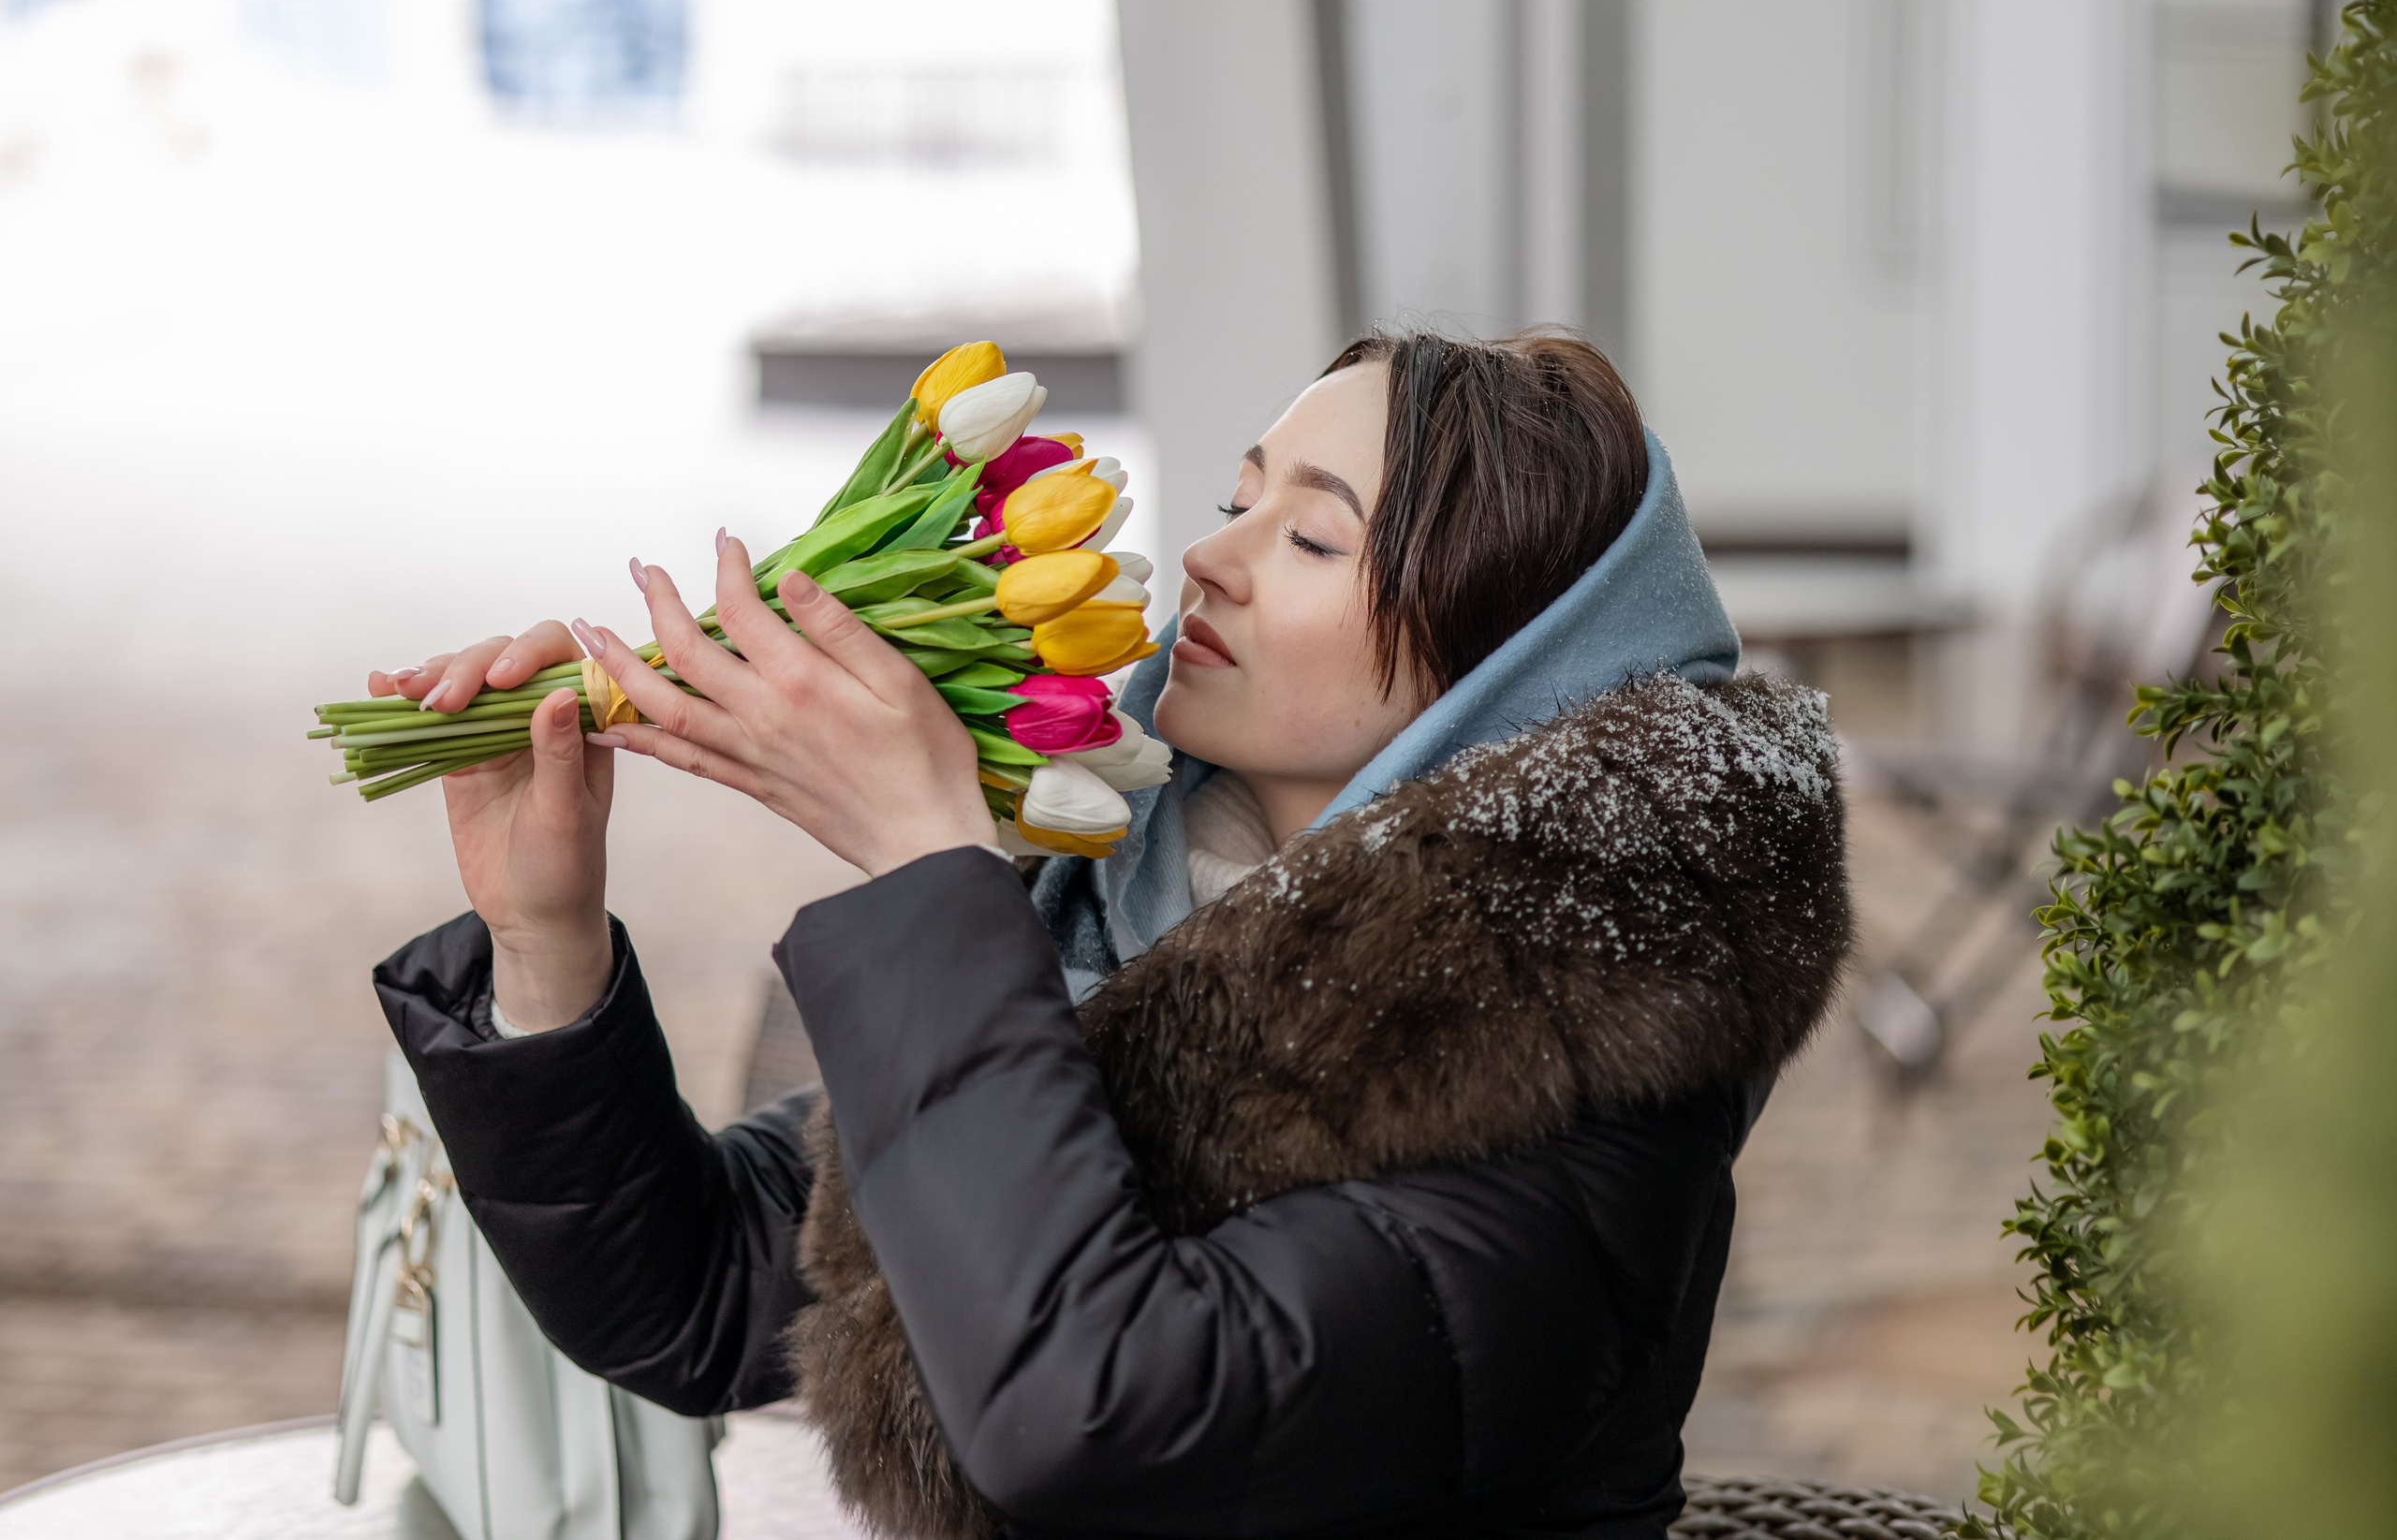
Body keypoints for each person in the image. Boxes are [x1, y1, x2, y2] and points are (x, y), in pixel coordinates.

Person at [373, 329, 1852, 1540]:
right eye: (1238, 503)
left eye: (1316, 537)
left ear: (1508, 665)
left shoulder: (1574, 1056)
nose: (1212, 561)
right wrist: (546, 937)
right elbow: (693, 1302)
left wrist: (925, 862)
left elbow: (1095, 1412)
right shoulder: (1136, 918)